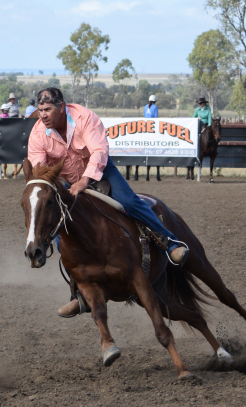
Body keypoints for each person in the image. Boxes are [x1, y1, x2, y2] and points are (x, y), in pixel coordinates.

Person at [27, 87, 189, 317]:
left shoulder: (84, 118)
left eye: (47, 109)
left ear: (61, 107)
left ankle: (170, 243)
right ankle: (78, 294)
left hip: (100, 170)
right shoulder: (37, 134)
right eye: (40, 110)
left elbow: (99, 151)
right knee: (60, 225)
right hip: (66, 180)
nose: (42, 115)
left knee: (128, 202)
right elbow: (40, 170)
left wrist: (85, 181)